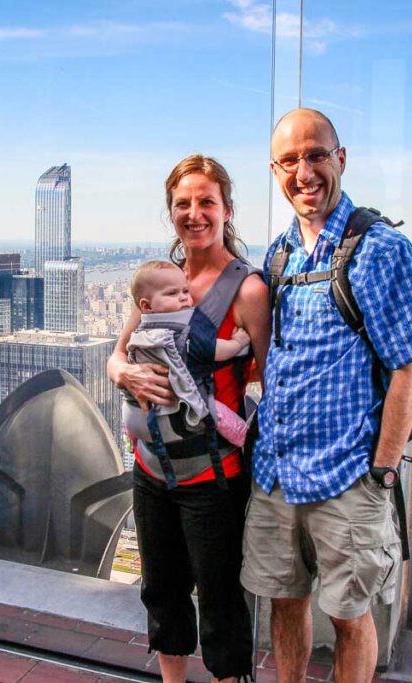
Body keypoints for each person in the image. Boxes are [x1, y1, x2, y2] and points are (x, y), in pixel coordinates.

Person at [240, 109, 412, 683]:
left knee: (350, 617)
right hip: (278, 473)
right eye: (289, 161)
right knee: (285, 602)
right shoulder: (279, 254)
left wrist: (381, 473)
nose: (304, 172)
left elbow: (410, 368)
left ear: (340, 158)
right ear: (275, 171)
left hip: (347, 475)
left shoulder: (381, 250)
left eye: (316, 155)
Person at [108, 154, 270, 683]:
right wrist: (123, 375)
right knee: (162, 588)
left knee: (220, 598)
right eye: (183, 203)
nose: (194, 213)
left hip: (213, 479)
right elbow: (118, 353)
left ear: (226, 209)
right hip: (151, 469)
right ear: (170, 211)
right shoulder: (160, 279)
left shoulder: (248, 290)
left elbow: (269, 381)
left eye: (206, 202)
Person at [122, 260, 252, 458]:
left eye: (185, 291)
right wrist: (237, 343)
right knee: (217, 412)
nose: (183, 298)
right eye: (172, 294)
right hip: (179, 413)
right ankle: (244, 438)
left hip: (137, 417)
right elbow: (217, 350)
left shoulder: (142, 328)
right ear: (146, 306)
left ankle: (128, 436)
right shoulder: (183, 332)